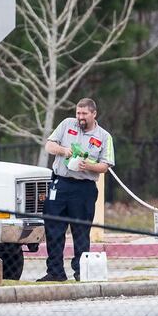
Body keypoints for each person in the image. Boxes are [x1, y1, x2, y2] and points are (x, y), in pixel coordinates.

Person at [37, 98, 115, 282]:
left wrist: (88, 165)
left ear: (94, 114)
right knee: (54, 228)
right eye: (78, 113)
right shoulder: (66, 124)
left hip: (84, 188)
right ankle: (55, 271)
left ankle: (81, 271)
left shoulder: (104, 136)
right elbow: (49, 145)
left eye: (84, 114)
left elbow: (105, 166)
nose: (80, 117)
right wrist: (64, 151)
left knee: (81, 231)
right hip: (60, 184)